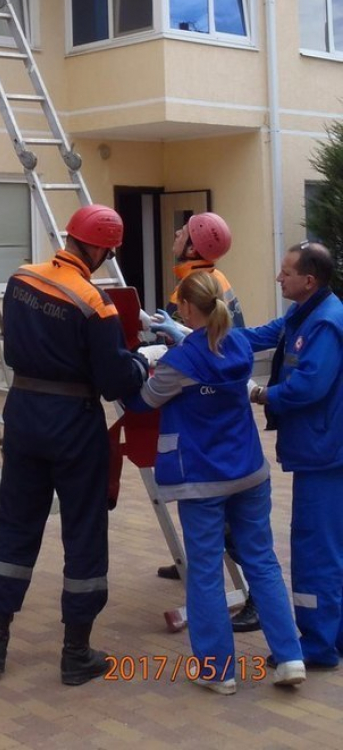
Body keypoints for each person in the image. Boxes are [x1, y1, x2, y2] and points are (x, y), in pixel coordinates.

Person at [0, 205, 148, 686]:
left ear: (69, 236)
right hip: (74, 422)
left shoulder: (21, 279)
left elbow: (13, 350)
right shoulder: (96, 303)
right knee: (84, 533)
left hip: (24, 413)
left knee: (15, 527)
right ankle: (76, 654)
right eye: (107, 251)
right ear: (97, 248)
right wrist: (140, 365)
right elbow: (114, 381)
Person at [125, 271, 305, 693]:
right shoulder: (238, 343)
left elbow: (144, 401)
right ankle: (290, 656)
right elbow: (215, 342)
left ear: (186, 308)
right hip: (249, 472)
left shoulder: (180, 363)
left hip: (202, 481)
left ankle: (217, 672)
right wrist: (181, 334)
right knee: (262, 562)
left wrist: (133, 362)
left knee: (205, 572)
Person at [153, 211, 256, 635]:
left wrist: (176, 341)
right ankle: (198, 563)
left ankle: (253, 597)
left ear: (195, 245)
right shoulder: (202, 277)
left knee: (229, 518)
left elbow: (216, 343)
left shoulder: (199, 284)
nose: (175, 234)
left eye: (183, 231)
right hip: (220, 402)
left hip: (214, 407)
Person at [243, 241, 343, 669]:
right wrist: (199, 333)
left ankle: (317, 645)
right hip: (320, 449)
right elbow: (264, 336)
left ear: (309, 279)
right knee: (329, 547)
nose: (278, 278)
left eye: (285, 272)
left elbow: (309, 387)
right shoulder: (304, 312)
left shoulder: (326, 323)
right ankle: (333, 636)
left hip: (324, 454)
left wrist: (261, 394)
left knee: (315, 549)